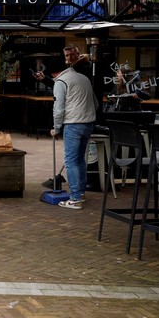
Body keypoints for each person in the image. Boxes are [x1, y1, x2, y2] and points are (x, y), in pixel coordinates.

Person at [50, 46, 99, 209]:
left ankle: (75, 198)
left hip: (73, 124)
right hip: (88, 123)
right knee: (79, 160)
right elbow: (96, 103)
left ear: (53, 74)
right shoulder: (83, 78)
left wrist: (56, 128)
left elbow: (59, 108)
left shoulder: (60, 81)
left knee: (71, 161)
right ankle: (81, 193)